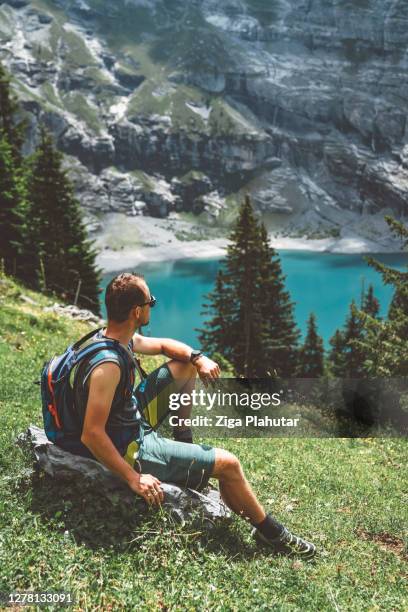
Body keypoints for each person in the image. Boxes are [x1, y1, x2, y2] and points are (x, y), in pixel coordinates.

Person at [68, 272, 317, 559]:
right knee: (229, 465)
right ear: (137, 311)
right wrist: (132, 479)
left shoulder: (113, 337)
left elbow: (163, 346)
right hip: (131, 447)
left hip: (127, 418)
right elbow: (92, 433)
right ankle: (271, 534)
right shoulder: (108, 365)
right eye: (151, 301)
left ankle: (182, 440)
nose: (152, 306)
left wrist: (198, 358)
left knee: (184, 366)